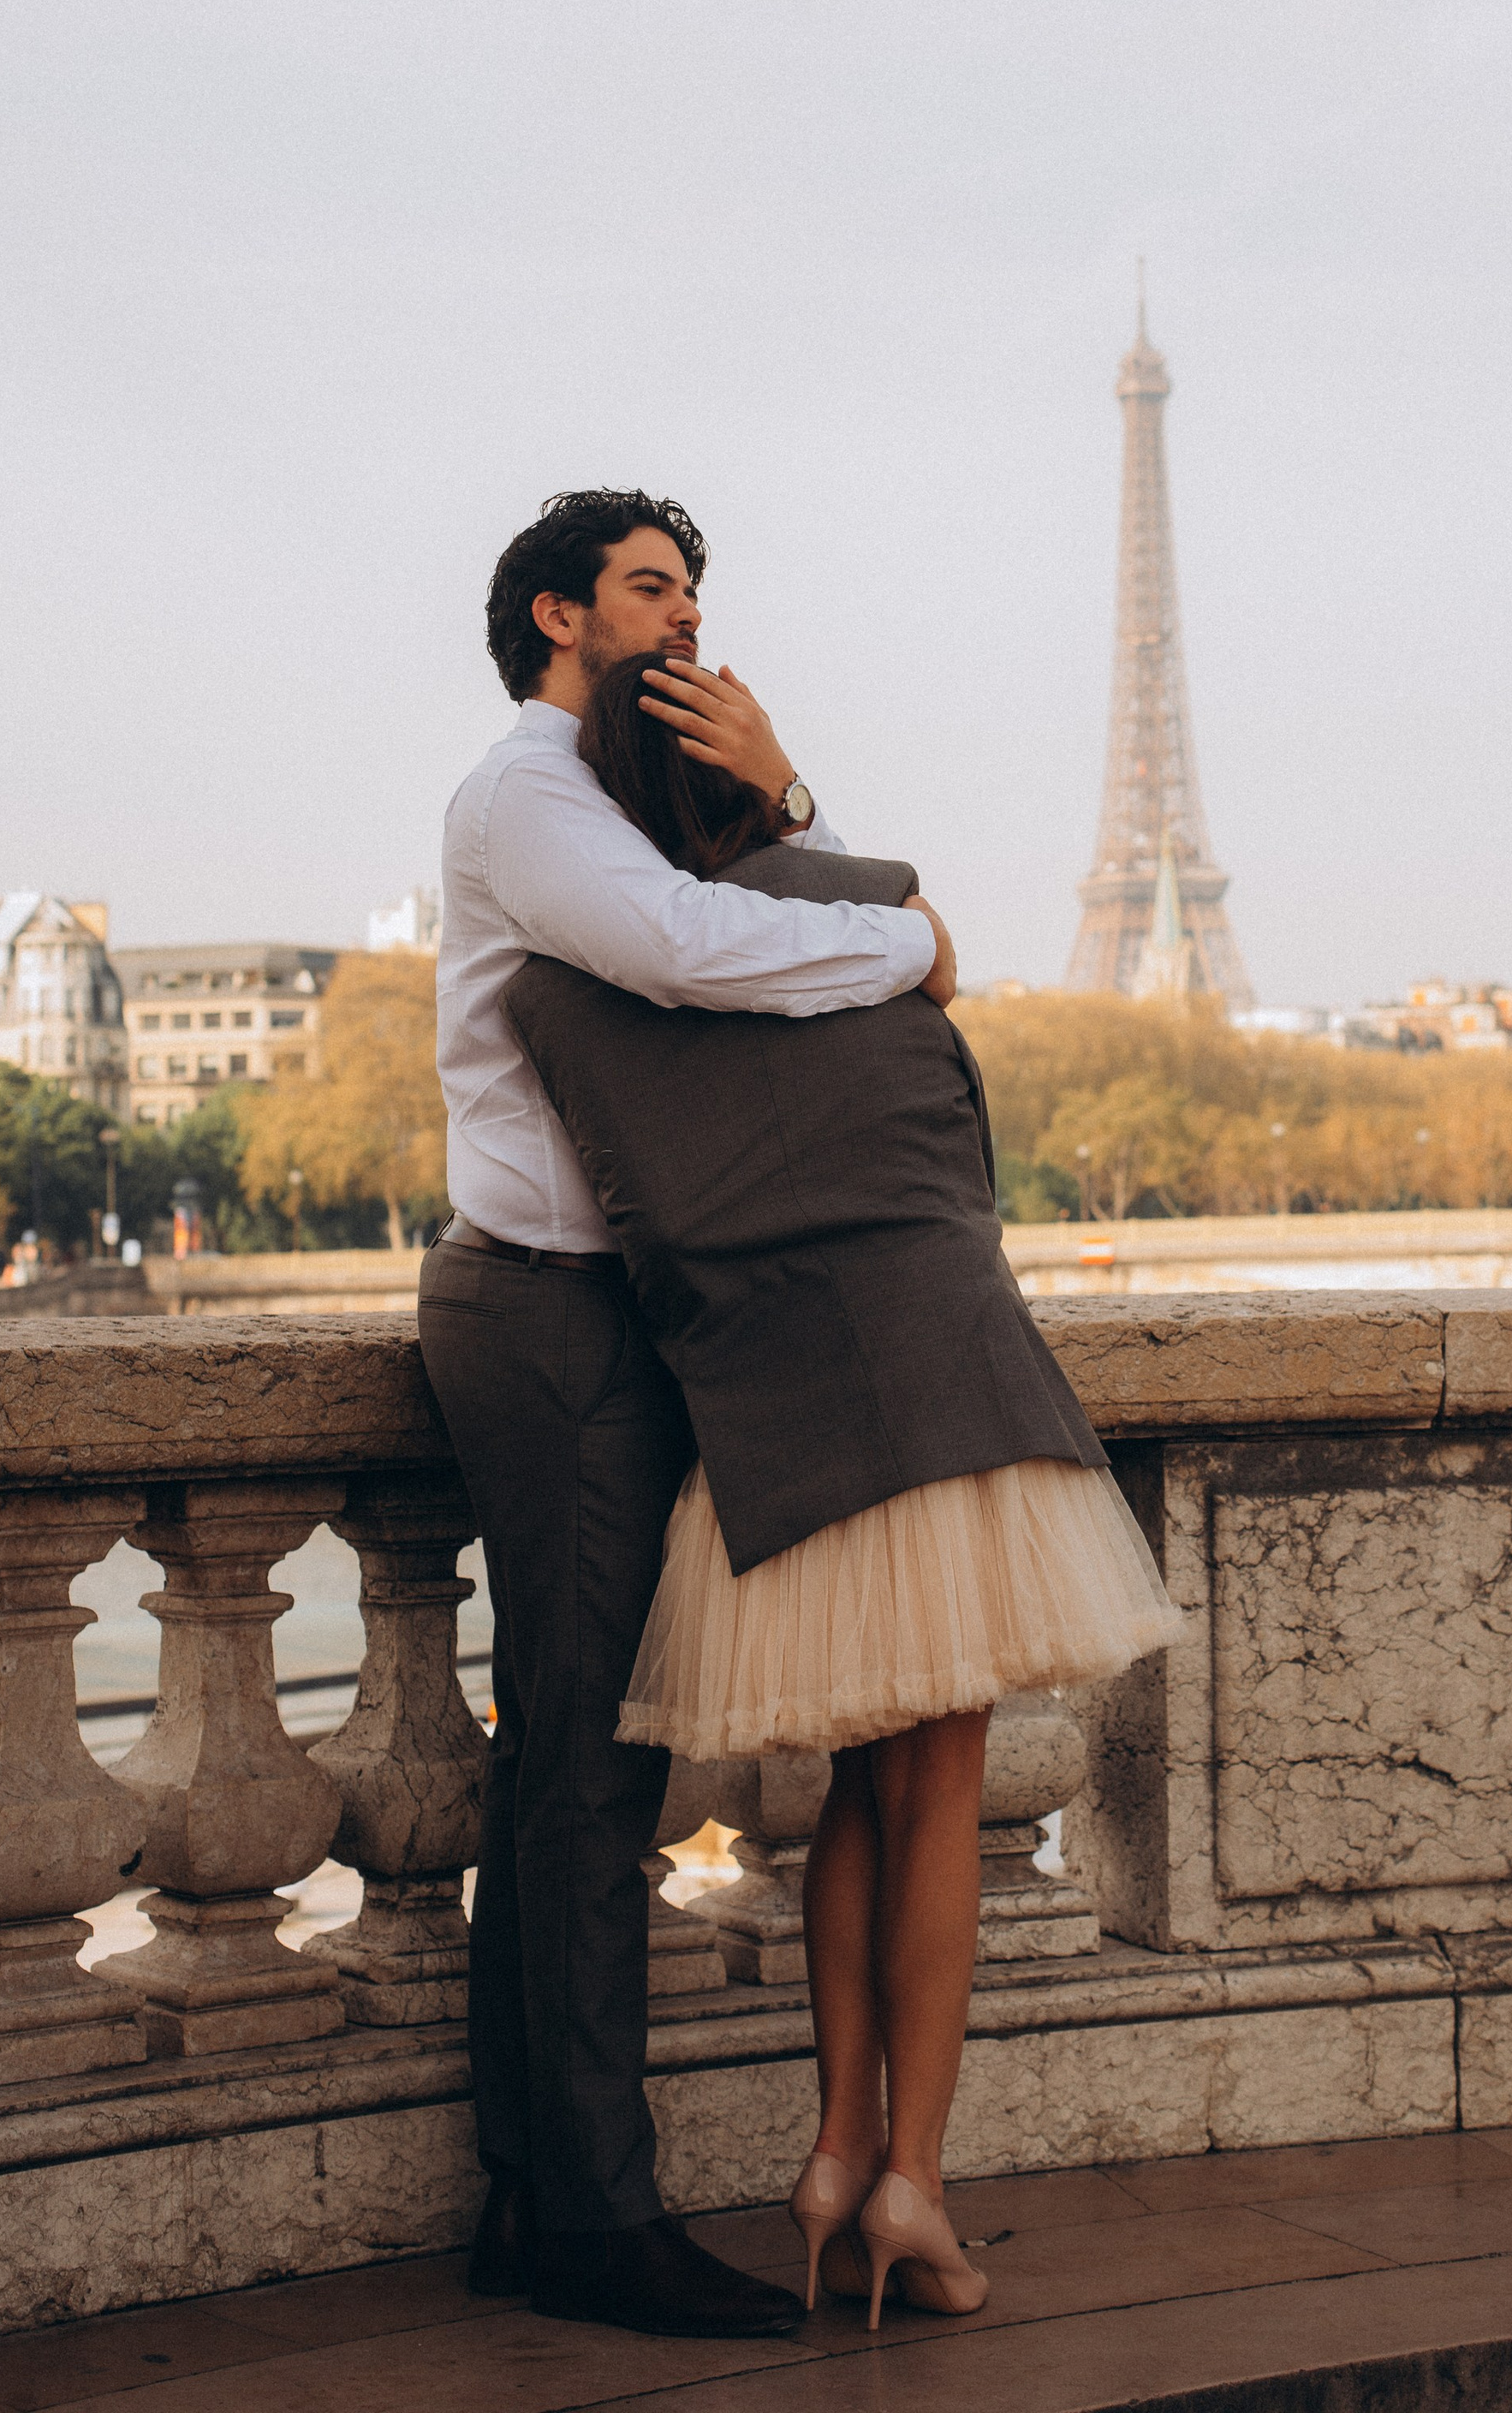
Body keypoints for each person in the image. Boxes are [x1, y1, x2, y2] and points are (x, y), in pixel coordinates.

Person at [503, 648, 1182, 2332]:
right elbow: (955, 1160)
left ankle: (826, 2155)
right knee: (934, 1793)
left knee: (850, 1812)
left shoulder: (576, 1001)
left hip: (774, 1426)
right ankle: (909, 2186)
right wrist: (797, 803)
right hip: (945, 1396)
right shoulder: (883, 954)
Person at [419, 489, 954, 2341]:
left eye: (697, 588)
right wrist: (911, 944)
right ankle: (587, 2213)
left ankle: (537, 2196)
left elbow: (735, 900)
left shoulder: (616, 793)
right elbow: (687, 953)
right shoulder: (527, 798)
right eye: (649, 588)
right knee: (583, 1773)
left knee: (578, 1765)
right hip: (552, 1315)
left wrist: (795, 806)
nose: (687, 618)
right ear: (559, 613)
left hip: (614, 1313)